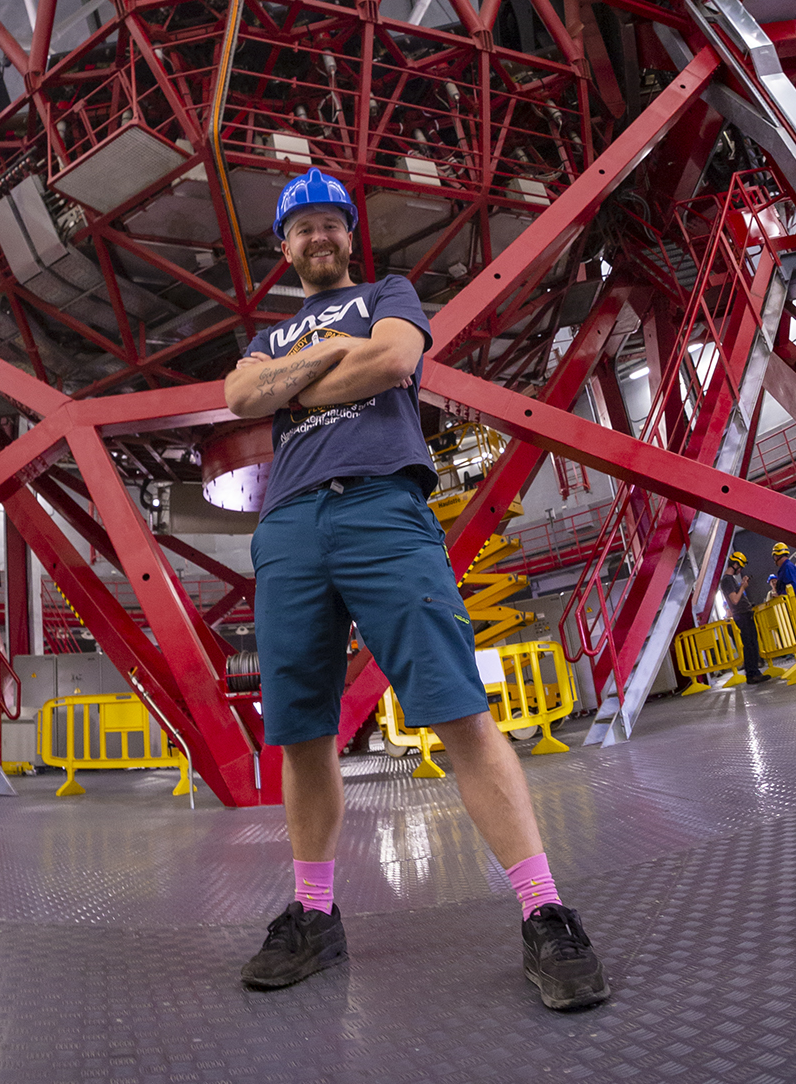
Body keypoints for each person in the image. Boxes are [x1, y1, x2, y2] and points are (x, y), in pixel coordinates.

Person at [223, 168, 610, 1012]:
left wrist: (298, 375)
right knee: (301, 731)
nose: (318, 236)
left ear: (347, 236)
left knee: (456, 707)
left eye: (331, 223)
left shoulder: (387, 295)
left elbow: (395, 358)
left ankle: (543, 911)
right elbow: (239, 395)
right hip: (287, 527)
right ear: (283, 246)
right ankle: (314, 916)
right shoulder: (267, 333)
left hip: (382, 506)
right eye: (302, 226)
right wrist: (336, 359)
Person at [720, 550, 767, 683]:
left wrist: (741, 585)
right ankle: (752, 674)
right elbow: (735, 599)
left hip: (743, 615)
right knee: (749, 644)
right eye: (740, 567)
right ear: (735, 565)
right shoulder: (727, 580)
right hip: (742, 615)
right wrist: (743, 587)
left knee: (751, 643)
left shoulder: (729, 580)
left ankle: (753, 672)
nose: (741, 570)